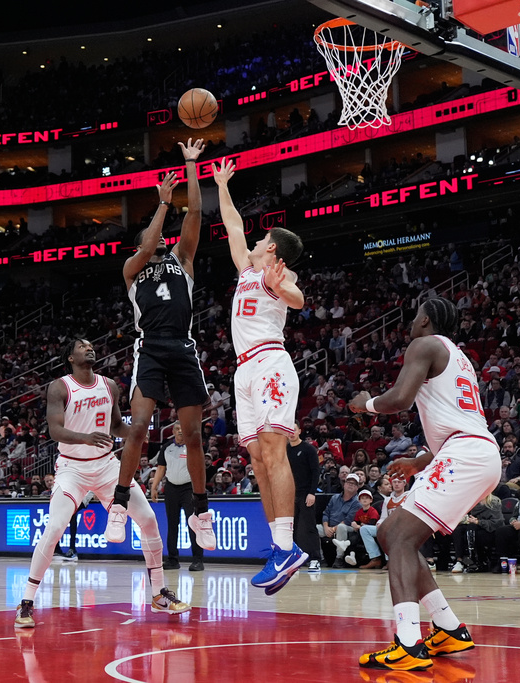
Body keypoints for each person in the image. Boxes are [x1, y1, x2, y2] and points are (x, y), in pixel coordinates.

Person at [348, 297, 499, 672]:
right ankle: (447, 626)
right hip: (473, 452)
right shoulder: (459, 357)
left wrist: (365, 404)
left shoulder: (425, 343)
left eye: (415, 316)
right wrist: (420, 461)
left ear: (426, 319)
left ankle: (408, 643)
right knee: (392, 533)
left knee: (397, 535)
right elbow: (457, 420)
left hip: (465, 453)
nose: (411, 323)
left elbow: (399, 399)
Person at [15, 340, 188, 629]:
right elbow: (55, 430)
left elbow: (115, 425)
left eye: (92, 346)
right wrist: (86, 438)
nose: (90, 348)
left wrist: (134, 432)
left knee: (148, 520)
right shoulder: (59, 387)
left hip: (107, 466)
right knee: (55, 527)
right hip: (72, 468)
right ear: (70, 357)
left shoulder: (109, 385)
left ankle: (159, 594)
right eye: (82, 346)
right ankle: (27, 602)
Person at [107, 140, 216, 557]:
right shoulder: (133, 269)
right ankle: (120, 504)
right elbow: (150, 245)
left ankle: (201, 513)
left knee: (192, 436)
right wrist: (162, 205)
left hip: (182, 348)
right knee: (138, 427)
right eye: (151, 242)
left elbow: (198, 214)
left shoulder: (182, 261)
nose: (159, 244)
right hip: (149, 347)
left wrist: (191, 165)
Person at [213, 157, 307, 594]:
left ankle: (289, 548)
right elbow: (232, 225)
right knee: (255, 459)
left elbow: (298, 298)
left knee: (273, 453)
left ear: (273, 248)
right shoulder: (248, 270)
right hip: (243, 371)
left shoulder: (276, 273)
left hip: (270, 362)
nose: (253, 240)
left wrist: (280, 286)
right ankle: (278, 547)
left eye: (261, 239)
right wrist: (221, 185)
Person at [149, 423, 204, 571]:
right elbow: (161, 468)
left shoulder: (192, 446)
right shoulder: (167, 447)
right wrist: (154, 487)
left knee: (192, 524)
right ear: (173, 431)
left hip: (188, 488)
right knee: (172, 525)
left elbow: (200, 467)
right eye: (177, 429)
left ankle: (198, 560)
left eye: (182, 429)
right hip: (171, 488)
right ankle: (172, 559)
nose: (180, 431)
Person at [286, 423, 322, 572]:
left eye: (293, 429)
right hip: (289, 496)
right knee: (290, 529)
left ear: (299, 431)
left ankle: (315, 559)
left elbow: (315, 472)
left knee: (309, 527)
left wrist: (312, 492)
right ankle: (293, 560)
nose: (292, 432)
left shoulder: (308, 449)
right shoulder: (285, 450)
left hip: (306, 494)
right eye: (289, 430)